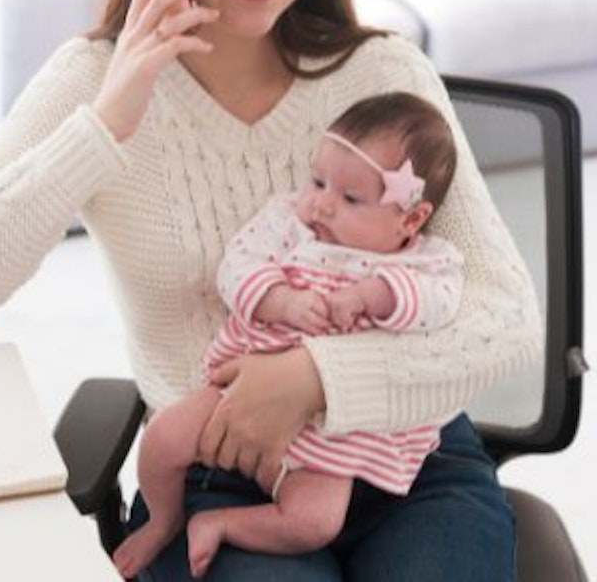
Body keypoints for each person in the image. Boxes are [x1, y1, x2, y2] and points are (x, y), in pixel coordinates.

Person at [0, 0, 541, 579]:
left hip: (408, 455)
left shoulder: (383, 73)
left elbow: (506, 317)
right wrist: (106, 123)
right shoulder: (93, 82)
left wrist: (313, 379)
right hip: (214, 468)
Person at [113, 92, 465, 579]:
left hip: (339, 434)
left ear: (410, 218)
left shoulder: (426, 261)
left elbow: (441, 303)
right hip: (238, 396)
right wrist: (282, 301)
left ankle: (224, 524)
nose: (322, 203)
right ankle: (164, 520)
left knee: (314, 521)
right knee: (163, 441)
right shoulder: (290, 224)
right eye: (318, 181)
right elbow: (237, 267)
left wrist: (373, 296)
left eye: (351, 198)